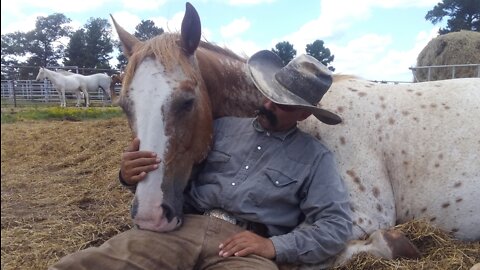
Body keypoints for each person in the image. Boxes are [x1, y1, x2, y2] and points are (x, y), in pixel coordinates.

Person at [50, 50, 352, 269]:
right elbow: (170, 171)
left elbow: (335, 227)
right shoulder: (221, 127)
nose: (268, 103)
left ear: (304, 113)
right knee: (83, 264)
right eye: (269, 93)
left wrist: (273, 246)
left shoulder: (315, 158)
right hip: (182, 229)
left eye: (283, 103)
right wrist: (129, 177)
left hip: (245, 251)